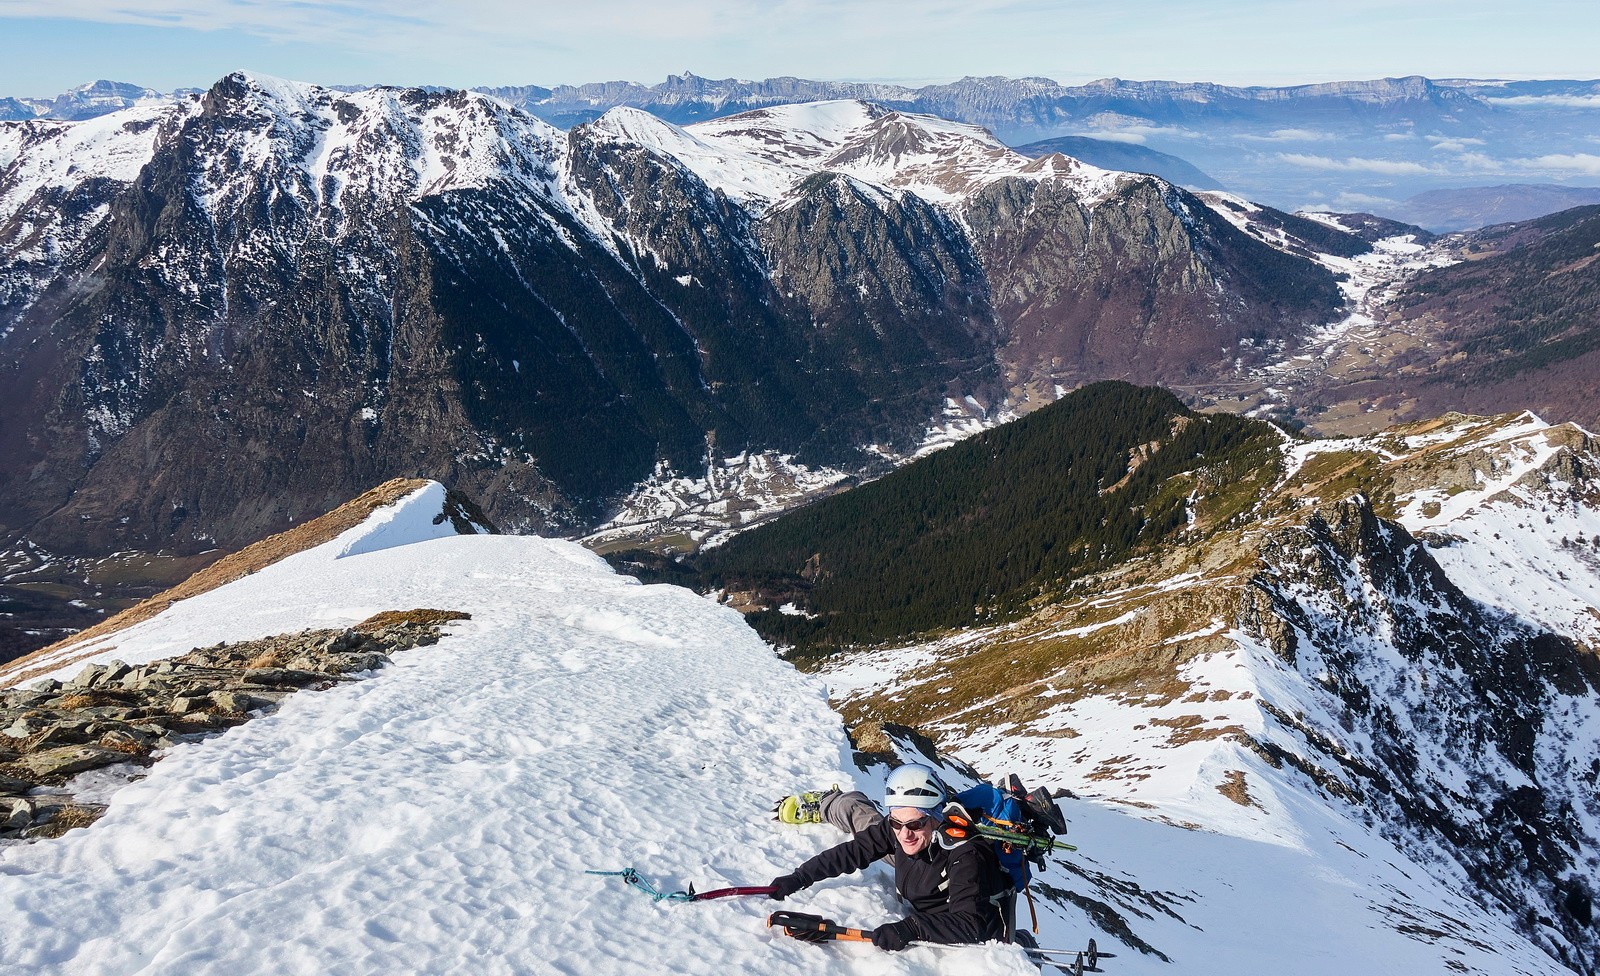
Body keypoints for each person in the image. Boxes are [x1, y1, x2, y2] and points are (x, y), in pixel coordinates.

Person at [767, 764, 1012, 951]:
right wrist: (800, 877)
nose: (904, 833)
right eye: (896, 822)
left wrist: (912, 928)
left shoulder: (967, 856)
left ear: (936, 817)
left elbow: (971, 924)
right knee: (862, 819)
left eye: (914, 823)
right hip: (917, 864)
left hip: (954, 917)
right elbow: (854, 852)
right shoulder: (903, 831)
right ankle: (829, 804)